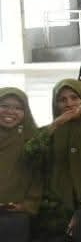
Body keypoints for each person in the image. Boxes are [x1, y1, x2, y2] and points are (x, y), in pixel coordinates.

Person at [27, 79, 81, 236]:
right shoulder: (48, 132)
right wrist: (56, 124)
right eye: (62, 100)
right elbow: (29, 154)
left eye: (74, 98)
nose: (69, 104)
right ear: (55, 104)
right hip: (53, 213)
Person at [0, 88, 42, 225]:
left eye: (18, 108)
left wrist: (28, 205)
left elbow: (38, 176)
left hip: (15, 214)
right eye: (4, 106)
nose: (10, 111)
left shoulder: (32, 140)